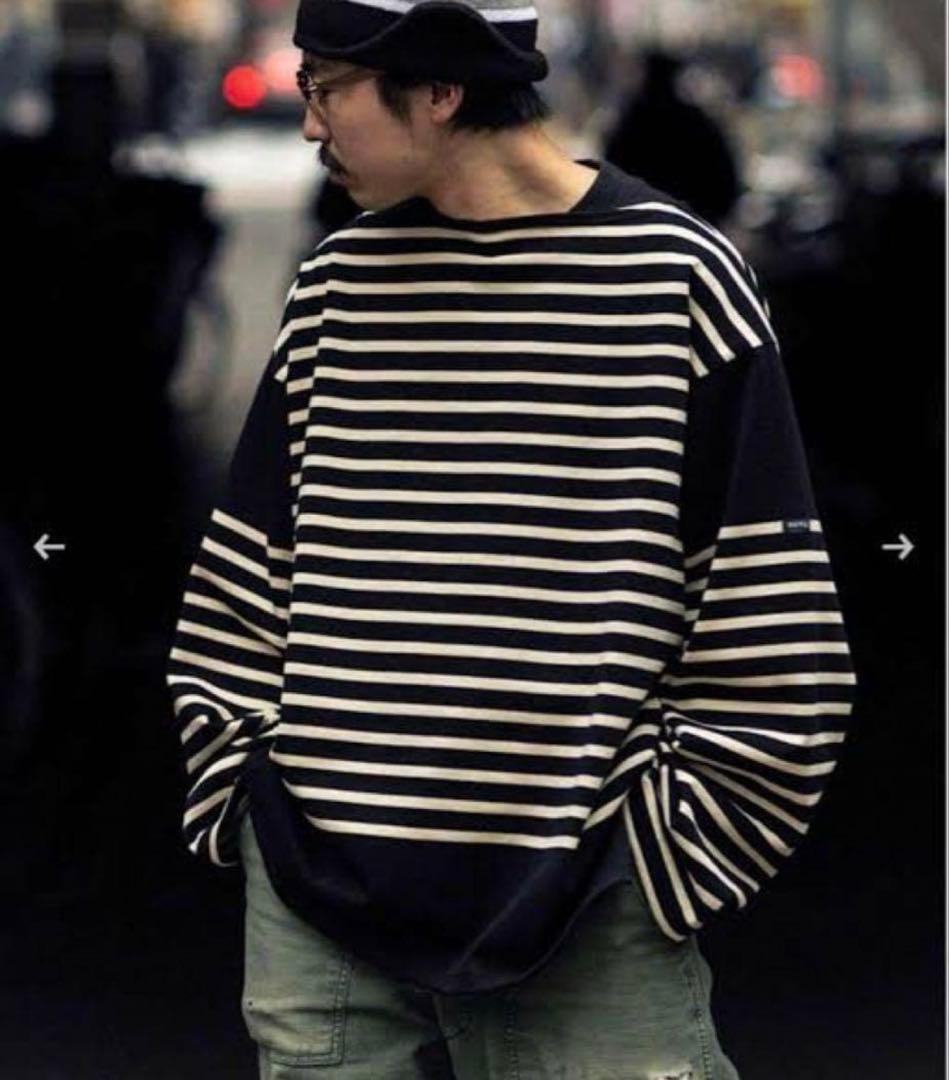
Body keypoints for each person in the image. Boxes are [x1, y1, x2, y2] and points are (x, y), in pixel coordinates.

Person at [165, 1, 857, 1076]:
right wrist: (244, 792)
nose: (308, 124)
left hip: (583, 898)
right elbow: (243, 583)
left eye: (327, 88)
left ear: (441, 91)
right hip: (318, 887)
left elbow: (773, 620)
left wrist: (659, 859)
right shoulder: (337, 288)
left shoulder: (676, 278)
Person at [603, 49, 742, 226]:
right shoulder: (698, 122)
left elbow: (611, 178)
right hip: (694, 225)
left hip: (641, 227)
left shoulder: (629, 125)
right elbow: (726, 182)